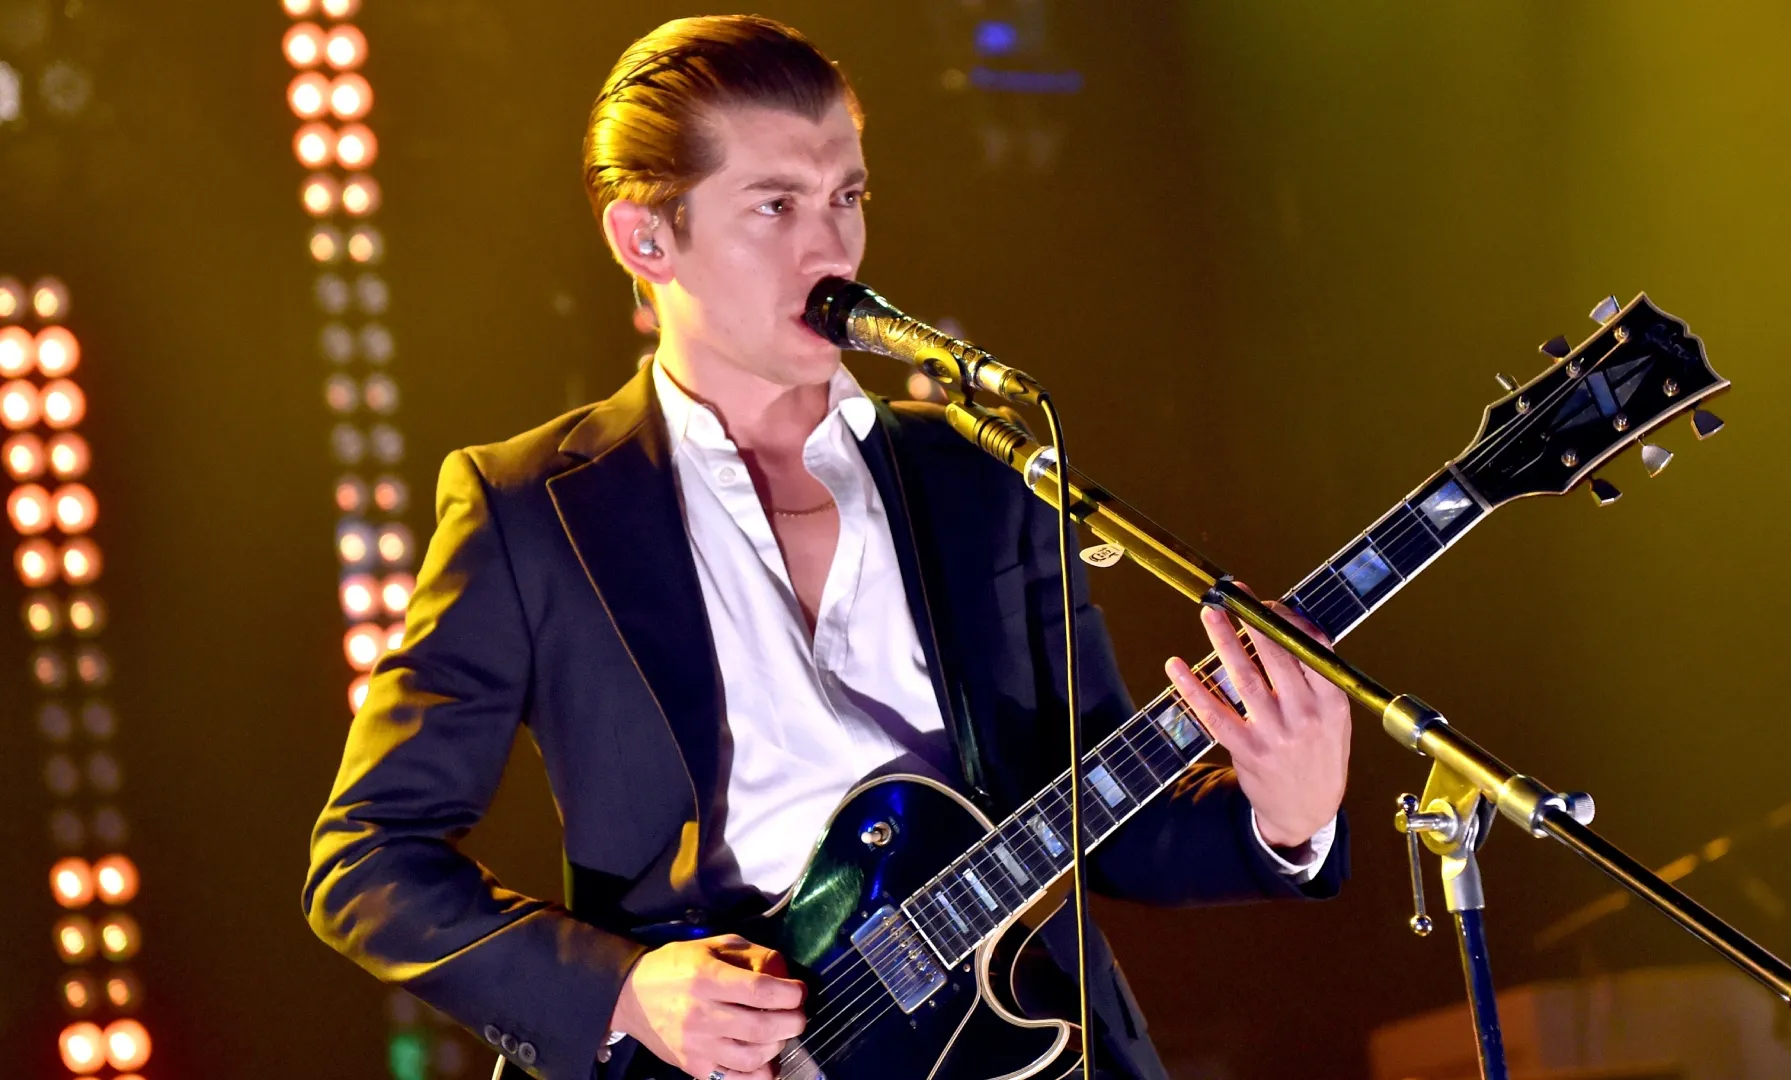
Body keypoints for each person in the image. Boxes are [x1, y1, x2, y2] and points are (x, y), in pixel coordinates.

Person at [303, 16, 1353, 1080]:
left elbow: (1103, 820)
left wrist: (1287, 815)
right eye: (776, 205)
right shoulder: (531, 508)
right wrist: (622, 990)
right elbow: (366, 861)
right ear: (646, 241)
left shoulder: (980, 475)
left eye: (847, 197)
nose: (832, 250)